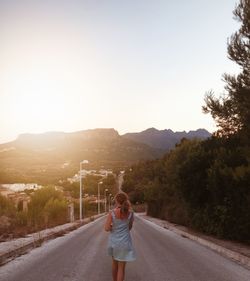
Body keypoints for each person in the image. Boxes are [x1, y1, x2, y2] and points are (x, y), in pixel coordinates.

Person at [104, 192, 136, 281]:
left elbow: (106, 228)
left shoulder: (112, 213)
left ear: (116, 201)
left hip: (114, 243)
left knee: (114, 264)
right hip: (125, 243)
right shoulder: (130, 213)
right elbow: (129, 228)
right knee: (121, 268)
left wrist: (112, 227)